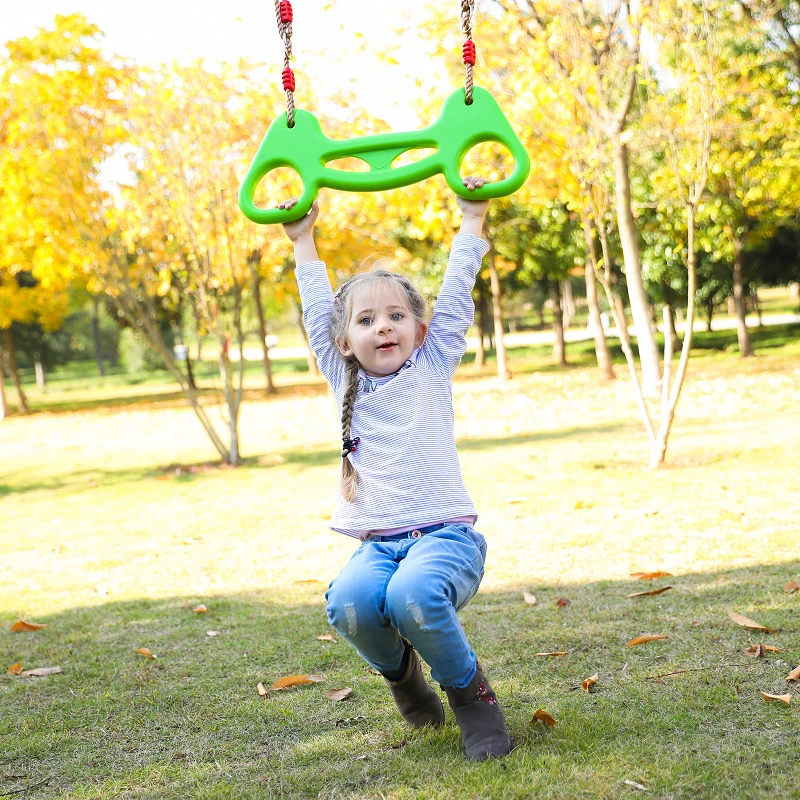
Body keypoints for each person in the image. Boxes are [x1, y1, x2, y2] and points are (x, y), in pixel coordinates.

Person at [278, 178, 512, 761]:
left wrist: (472, 220)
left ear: (418, 329)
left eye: (395, 315)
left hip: (445, 538)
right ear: (345, 342)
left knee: (413, 597)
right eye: (366, 319)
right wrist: (302, 240)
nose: (383, 326)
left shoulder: (431, 365)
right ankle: (405, 678)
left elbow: (456, 294)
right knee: (349, 604)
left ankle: (471, 699)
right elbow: (315, 312)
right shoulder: (343, 378)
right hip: (379, 544)